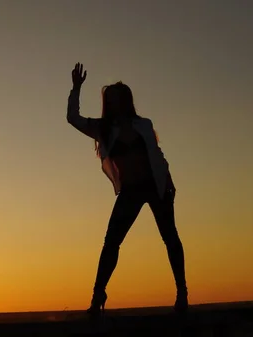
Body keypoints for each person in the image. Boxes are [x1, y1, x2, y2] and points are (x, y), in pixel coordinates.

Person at [66, 63, 188, 318]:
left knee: (170, 238)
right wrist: (76, 88)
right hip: (131, 190)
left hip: (156, 187)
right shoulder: (103, 128)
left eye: (118, 99)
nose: (114, 104)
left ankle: (182, 294)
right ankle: (98, 295)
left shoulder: (143, 124)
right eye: (110, 100)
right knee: (111, 242)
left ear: (127, 101)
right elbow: (73, 118)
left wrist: (168, 181)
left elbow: (157, 155)